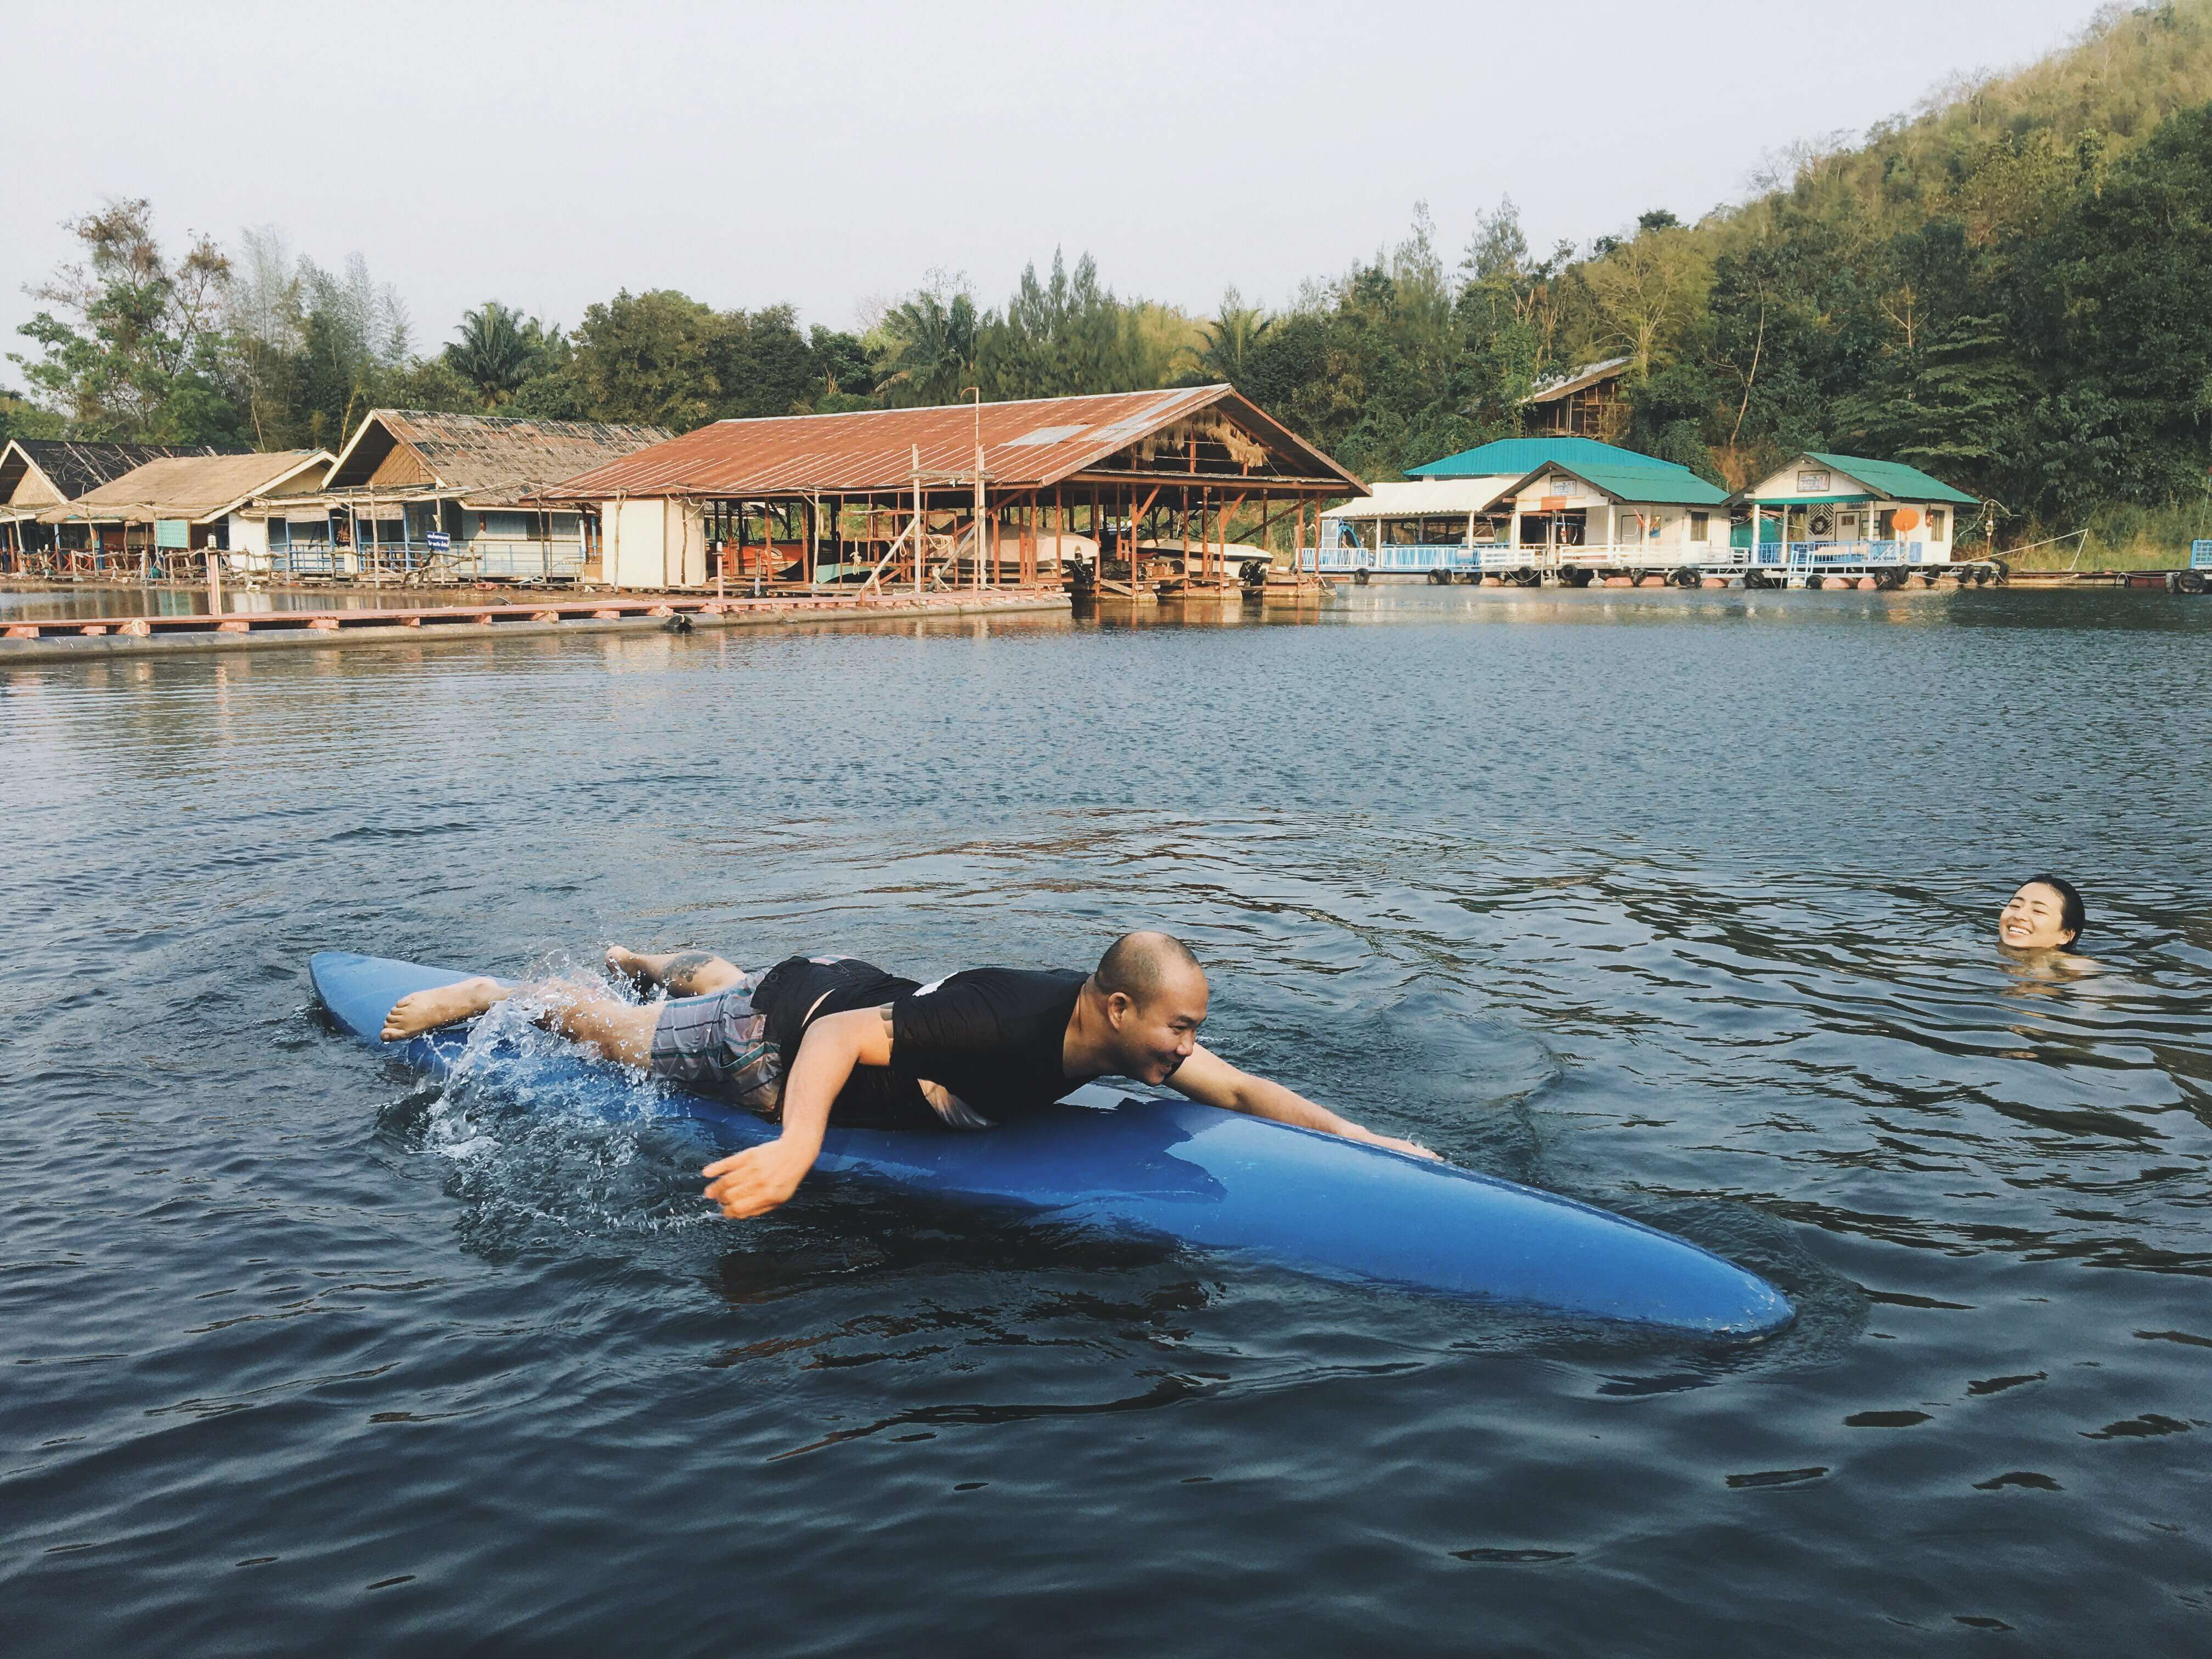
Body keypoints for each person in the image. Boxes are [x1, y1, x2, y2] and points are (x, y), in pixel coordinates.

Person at [379, 931, 1438, 1220]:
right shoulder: (1003, 1022)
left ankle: (657, 957)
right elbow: (835, 1047)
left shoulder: (1114, 1031)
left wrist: (1367, 1143)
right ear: (1120, 1009)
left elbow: (1250, 1091)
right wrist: (796, 1144)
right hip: (776, 1038)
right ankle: (491, 989)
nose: (1185, 1049)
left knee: (718, 974)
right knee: (621, 1035)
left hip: (846, 982)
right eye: (1179, 1028)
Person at [1998, 875, 2086, 954]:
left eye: (2038, 911)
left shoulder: (2076, 968)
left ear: (2065, 936)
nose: (2019, 916)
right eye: (2015, 906)